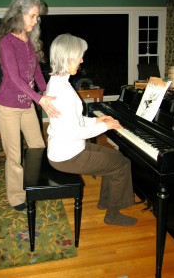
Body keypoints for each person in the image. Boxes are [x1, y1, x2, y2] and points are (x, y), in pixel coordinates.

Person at [46, 33, 137, 226]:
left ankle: (106, 202)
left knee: (117, 159)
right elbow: (75, 132)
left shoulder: (59, 82)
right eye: (79, 55)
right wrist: (105, 126)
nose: (81, 60)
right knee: (122, 165)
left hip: (68, 149)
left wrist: (96, 121)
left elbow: (74, 121)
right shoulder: (62, 91)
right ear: (67, 57)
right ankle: (113, 214)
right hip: (68, 156)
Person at [0, 0, 60, 211]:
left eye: (37, 17)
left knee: (38, 146)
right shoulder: (6, 42)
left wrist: (47, 91)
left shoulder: (28, 42)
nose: (36, 20)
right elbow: (13, 77)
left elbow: (37, 71)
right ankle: (16, 196)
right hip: (8, 106)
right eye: (32, 16)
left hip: (26, 104)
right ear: (19, 14)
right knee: (14, 155)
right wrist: (39, 99)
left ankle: (35, 184)